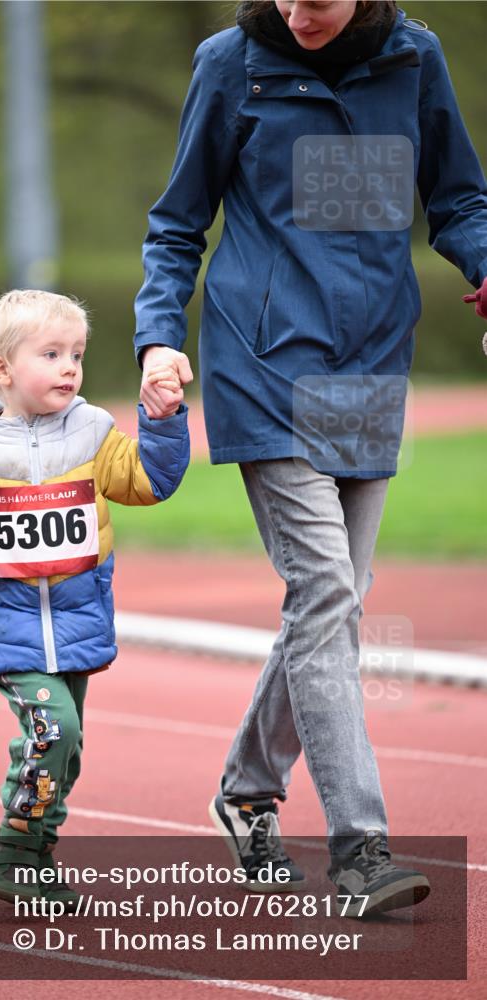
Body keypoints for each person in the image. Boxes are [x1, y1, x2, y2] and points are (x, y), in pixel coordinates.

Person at [135, 0, 487, 916]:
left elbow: (457, 197)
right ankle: (361, 847)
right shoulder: (230, 62)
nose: (298, 13)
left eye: (319, 0)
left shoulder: (413, 59)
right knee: (326, 591)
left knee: (331, 602)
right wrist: (155, 338)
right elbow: (177, 224)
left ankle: (246, 790)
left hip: (369, 362)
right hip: (264, 360)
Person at [0, 289, 189, 905]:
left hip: (79, 621)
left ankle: (35, 852)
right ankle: (11, 853)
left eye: (77, 355)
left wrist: (162, 418)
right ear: (1, 370)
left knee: (66, 746)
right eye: (52, 354)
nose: (69, 368)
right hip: (9, 627)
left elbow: (149, 481)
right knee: (52, 727)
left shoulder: (92, 430)